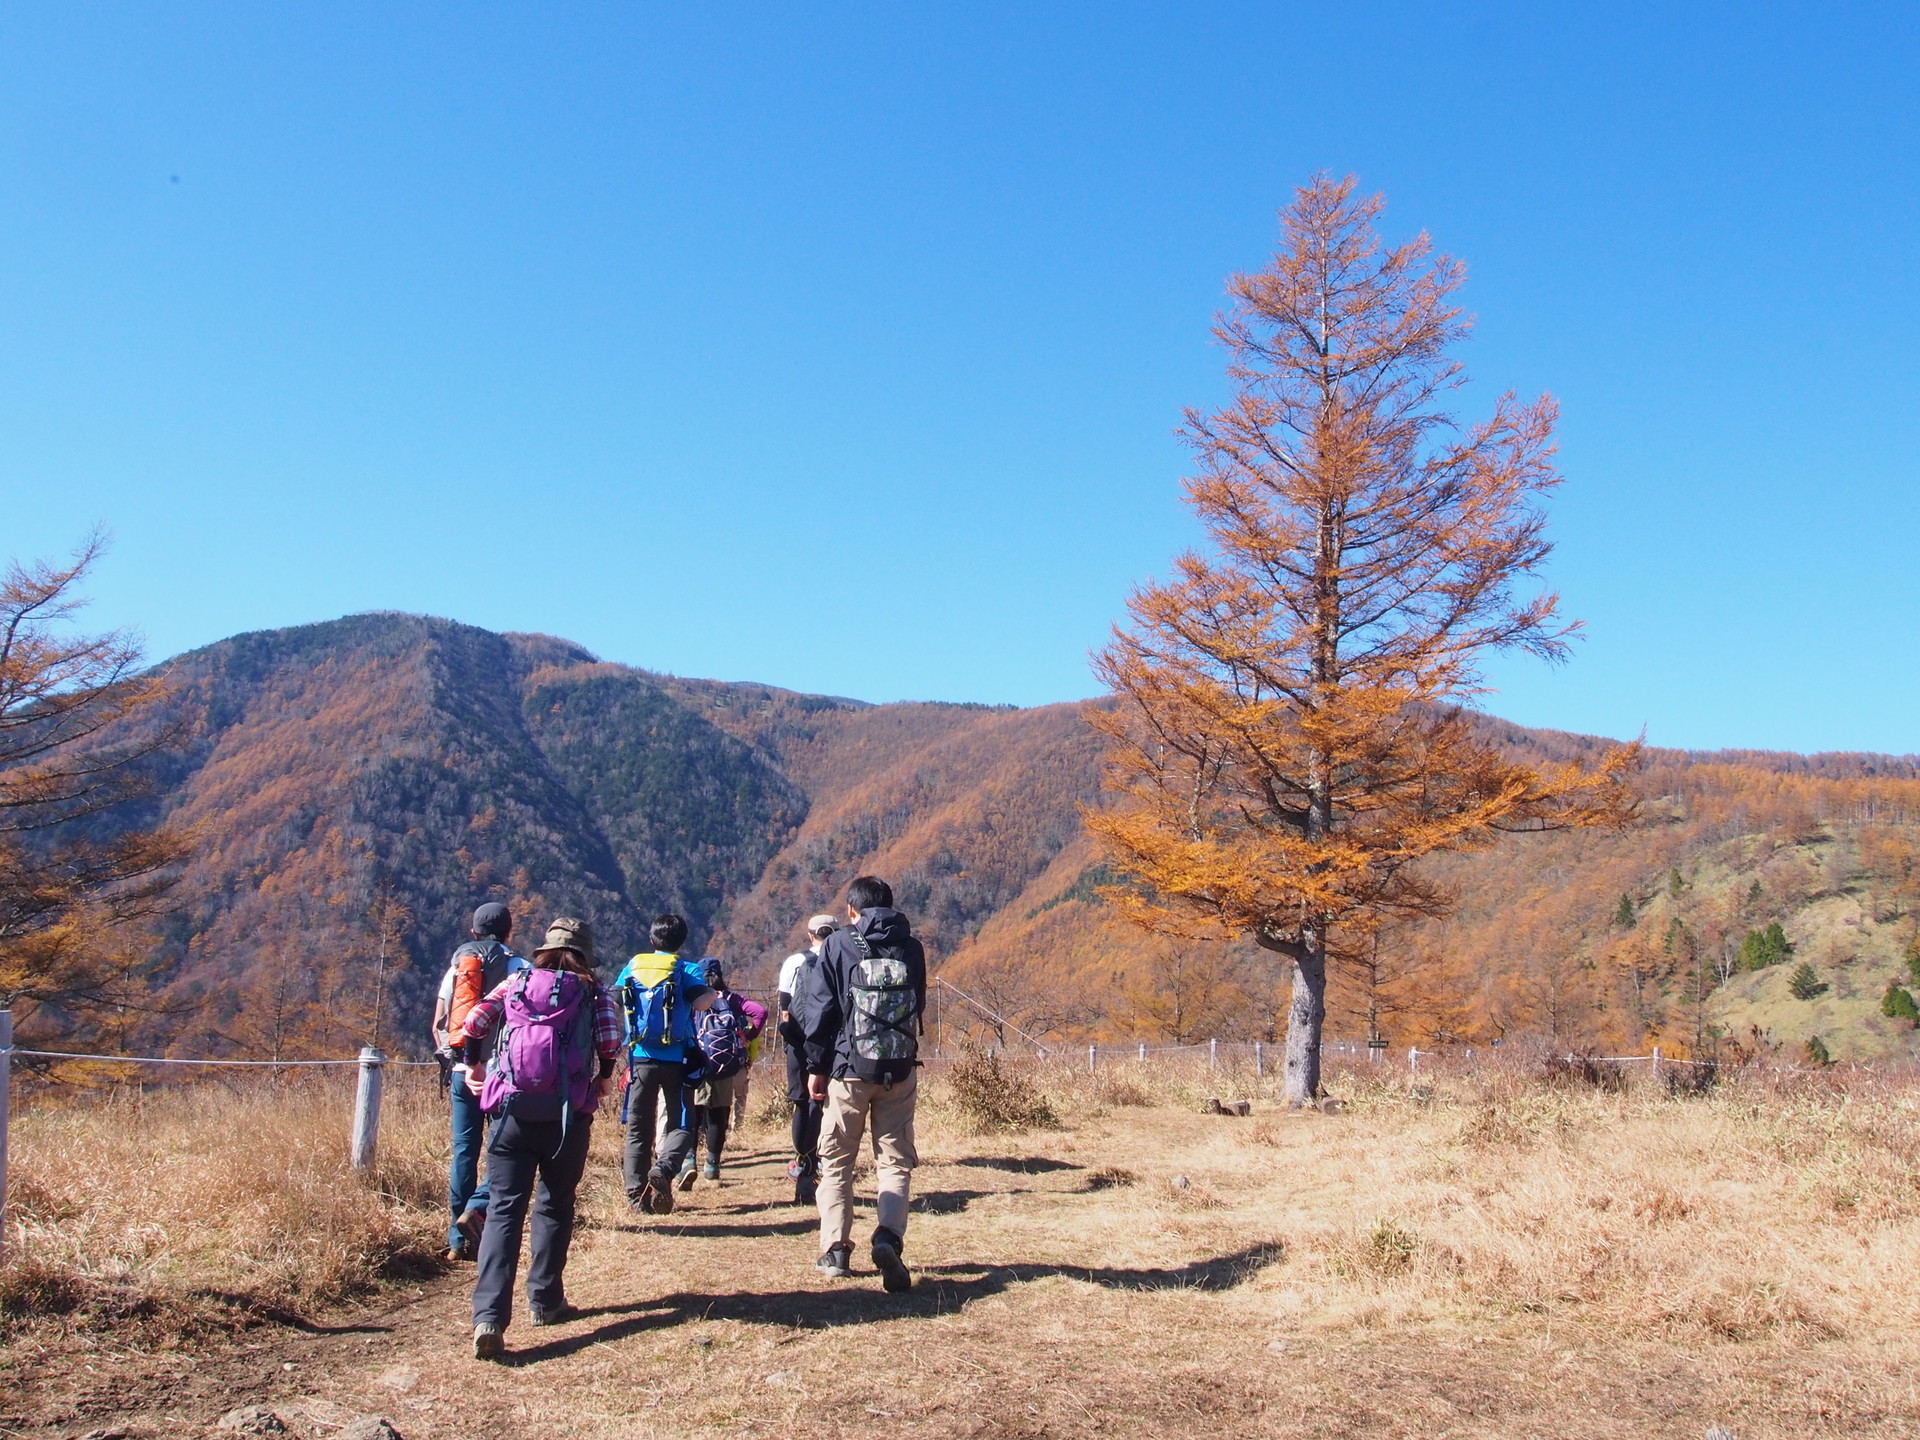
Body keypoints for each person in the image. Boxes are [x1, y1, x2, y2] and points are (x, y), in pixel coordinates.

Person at [458, 917, 621, 1360]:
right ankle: (545, 1300)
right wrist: (603, 1080)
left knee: (505, 1209)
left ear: (544, 950)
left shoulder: (515, 983)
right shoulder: (593, 992)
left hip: (511, 1112)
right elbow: (610, 1041)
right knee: (555, 1204)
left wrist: (474, 1065)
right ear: (585, 954)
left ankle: (489, 1316)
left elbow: (473, 1022)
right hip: (567, 1117)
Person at [797, 876, 925, 1292]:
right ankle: (888, 1236)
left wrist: (816, 1065)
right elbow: (918, 1003)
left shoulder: (839, 944)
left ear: (853, 910)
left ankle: (835, 1249)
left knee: (837, 1160)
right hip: (900, 1069)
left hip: (849, 1068)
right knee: (894, 1160)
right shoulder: (912, 947)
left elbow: (821, 1010)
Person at [435, 903, 530, 1261]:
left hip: (462, 1070)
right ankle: (477, 1210)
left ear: (473, 933)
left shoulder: (458, 967)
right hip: (501, 1075)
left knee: (464, 1151)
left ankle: (456, 1239)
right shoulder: (519, 967)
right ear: (509, 932)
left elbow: (441, 1020)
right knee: (504, 1150)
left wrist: (455, 1059)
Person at [611, 914, 715, 1215]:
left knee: (638, 1127)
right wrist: (712, 992)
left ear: (651, 939)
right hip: (678, 1059)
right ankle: (665, 1168)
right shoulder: (687, 969)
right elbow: (700, 1002)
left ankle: (636, 1198)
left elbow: (615, 999)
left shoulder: (633, 966)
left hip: (641, 1057)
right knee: (682, 1123)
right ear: (682, 941)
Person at [680, 959, 767, 1185]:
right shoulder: (731, 999)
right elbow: (760, 1012)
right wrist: (747, 1037)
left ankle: (689, 1161)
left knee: (693, 1115)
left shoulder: (692, 998)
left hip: (697, 1063)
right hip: (724, 1066)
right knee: (719, 1114)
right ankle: (712, 1165)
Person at [778, 914, 837, 1204]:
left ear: (810, 934)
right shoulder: (843, 958)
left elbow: (785, 1007)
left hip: (799, 1043)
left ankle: (803, 1164)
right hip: (832, 1044)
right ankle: (826, 1163)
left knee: (801, 1103)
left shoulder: (794, 962)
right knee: (825, 1103)